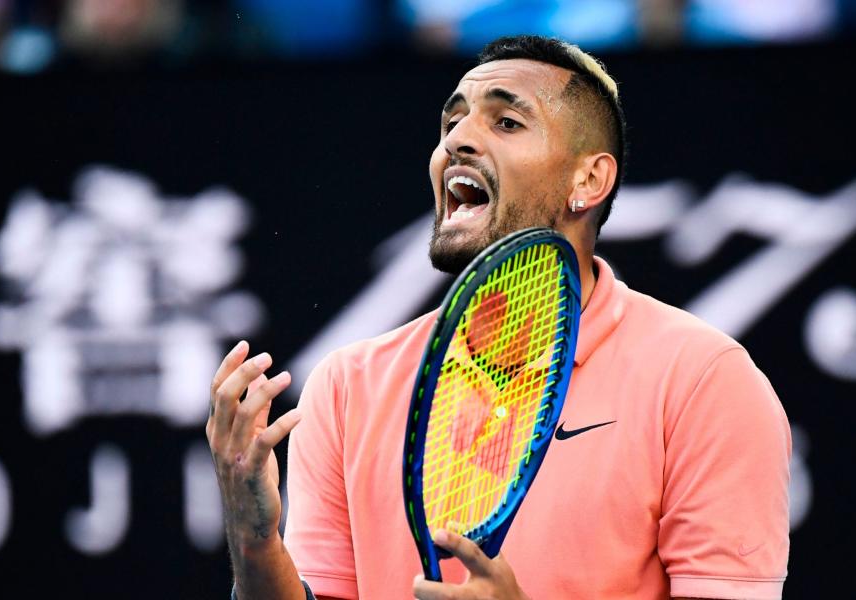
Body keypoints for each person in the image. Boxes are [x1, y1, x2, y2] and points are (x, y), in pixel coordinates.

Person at [206, 35, 791, 600]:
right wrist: (254, 541)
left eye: (506, 122)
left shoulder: (704, 381)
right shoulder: (347, 387)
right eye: (450, 123)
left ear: (588, 180)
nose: (457, 140)